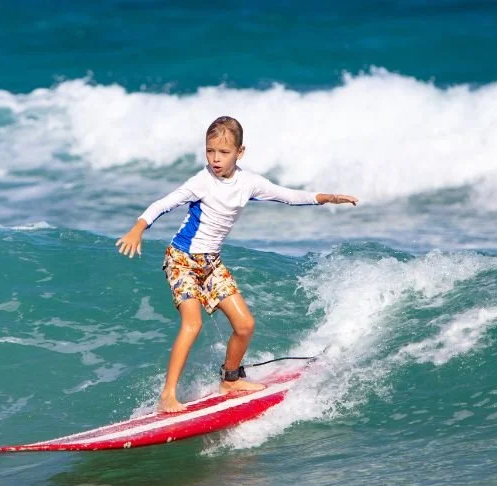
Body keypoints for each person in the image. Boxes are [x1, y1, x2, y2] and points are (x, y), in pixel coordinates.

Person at [115, 116, 358, 413]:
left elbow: (289, 196)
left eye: (224, 152)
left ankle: (230, 379)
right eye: (210, 151)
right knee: (192, 324)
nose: (215, 159)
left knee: (245, 325)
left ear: (240, 152)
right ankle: (168, 395)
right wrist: (138, 228)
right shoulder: (200, 182)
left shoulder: (249, 183)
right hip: (182, 260)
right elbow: (163, 203)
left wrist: (327, 197)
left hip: (211, 263)